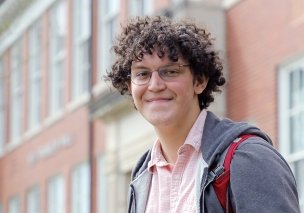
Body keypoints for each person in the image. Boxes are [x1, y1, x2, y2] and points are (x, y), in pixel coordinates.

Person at [105, 16, 300, 213]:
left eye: (170, 71)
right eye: (142, 74)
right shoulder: (142, 177)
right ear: (129, 86)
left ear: (200, 81)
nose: (155, 85)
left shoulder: (249, 159)